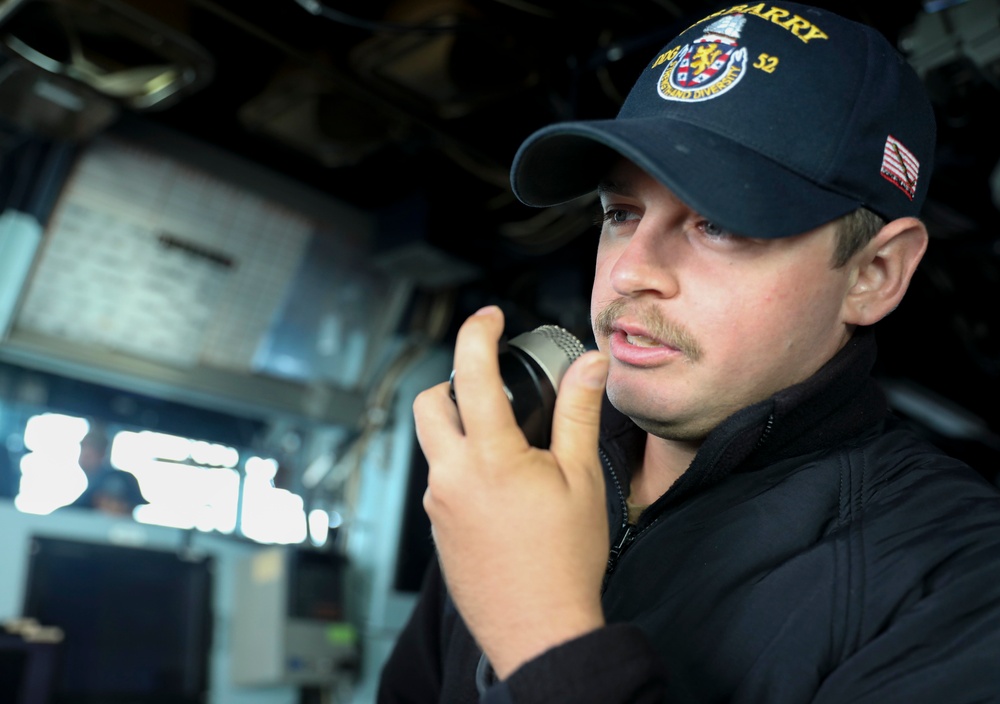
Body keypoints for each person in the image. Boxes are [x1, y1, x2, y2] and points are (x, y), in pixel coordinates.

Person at [378, 3, 1000, 703]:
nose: (629, 270)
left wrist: (543, 633)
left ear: (872, 275)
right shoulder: (510, 483)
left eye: (719, 223)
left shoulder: (957, 576)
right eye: (621, 214)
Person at [69, 426, 146, 517]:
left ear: (103, 452)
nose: (85, 454)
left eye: (91, 447)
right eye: (83, 447)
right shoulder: (91, 488)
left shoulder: (119, 478)